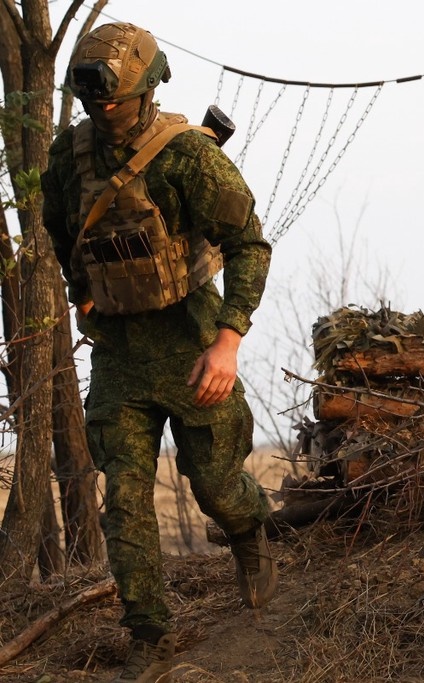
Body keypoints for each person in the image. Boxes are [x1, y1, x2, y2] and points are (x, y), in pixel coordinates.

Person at [41, 23, 277, 682]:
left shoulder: (188, 159)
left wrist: (228, 339)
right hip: (119, 351)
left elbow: (249, 245)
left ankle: (250, 529)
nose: (101, 109)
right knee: (125, 500)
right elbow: (60, 228)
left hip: (192, 338)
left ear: (145, 88)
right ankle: (149, 631)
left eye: (112, 97)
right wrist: (81, 291)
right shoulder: (69, 159)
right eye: (92, 100)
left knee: (214, 484)